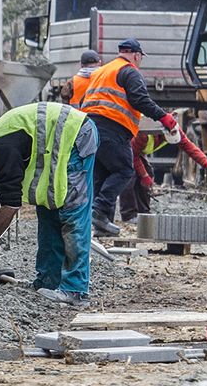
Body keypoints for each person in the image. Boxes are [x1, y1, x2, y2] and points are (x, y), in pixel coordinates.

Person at [0, 101, 99, 307]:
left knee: (73, 215)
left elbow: (10, 206)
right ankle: (47, 282)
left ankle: (76, 290)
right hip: (60, 143)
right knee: (48, 214)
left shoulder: (1, 151)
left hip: (75, 136)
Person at [76, 37, 179, 237]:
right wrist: (164, 117)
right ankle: (99, 210)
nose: (140, 61)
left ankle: (101, 224)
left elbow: (83, 99)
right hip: (112, 127)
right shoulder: (130, 71)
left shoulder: (102, 71)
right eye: (140, 58)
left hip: (89, 127)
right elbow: (140, 99)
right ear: (136, 55)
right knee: (124, 170)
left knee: (102, 175)